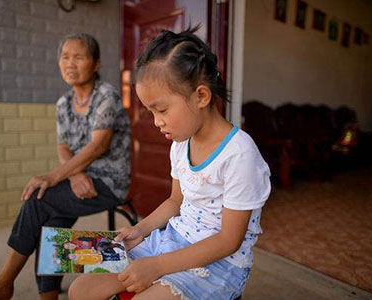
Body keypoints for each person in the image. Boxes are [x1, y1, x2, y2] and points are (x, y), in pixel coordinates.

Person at [68, 26, 270, 300]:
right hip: (169, 242)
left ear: (201, 96)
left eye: (161, 110)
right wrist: (140, 229)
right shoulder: (180, 144)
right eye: (150, 111)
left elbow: (228, 241)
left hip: (219, 263)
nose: (156, 121)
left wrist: (156, 266)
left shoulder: (240, 155)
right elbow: (176, 201)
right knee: (81, 289)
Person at [0, 33, 131, 300]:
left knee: (39, 201)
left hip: (109, 182)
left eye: (79, 57)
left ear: (95, 64)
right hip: (80, 177)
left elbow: (98, 146)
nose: (70, 63)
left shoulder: (107, 95)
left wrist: (54, 176)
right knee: (50, 225)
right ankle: (46, 295)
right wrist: (75, 175)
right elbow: (63, 147)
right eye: (65, 57)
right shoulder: (62, 104)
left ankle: (4, 284)